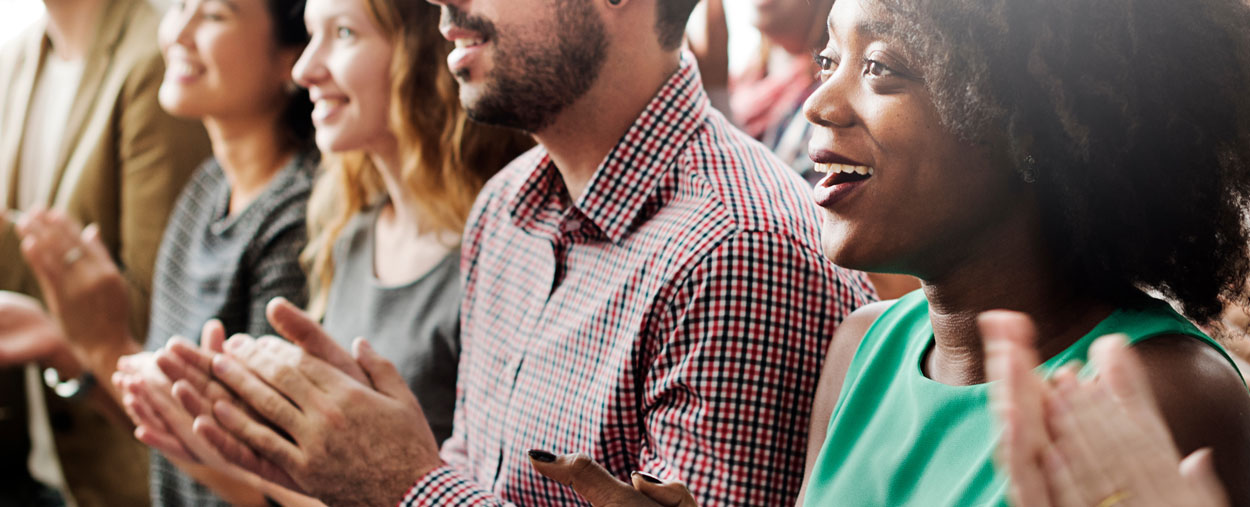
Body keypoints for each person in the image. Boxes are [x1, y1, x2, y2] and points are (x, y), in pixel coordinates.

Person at [516, 0, 1250, 504]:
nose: (818, 103)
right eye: (830, 56)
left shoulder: (1166, 391)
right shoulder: (862, 347)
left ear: (1040, 122)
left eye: (882, 68)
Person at [153, 0, 876, 505]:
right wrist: (321, 465)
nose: (440, 1)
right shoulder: (505, 208)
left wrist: (401, 481)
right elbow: (476, 483)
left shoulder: (741, 253)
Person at [0, 0, 317, 504]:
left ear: (291, 59)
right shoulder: (205, 191)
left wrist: (104, 346)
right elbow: (159, 420)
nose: (178, 31)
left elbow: (272, 481)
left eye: (214, 15)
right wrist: (70, 348)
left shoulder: (299, 216)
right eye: (181, 6)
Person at [0, 0, 210, 503]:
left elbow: (151, 319)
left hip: (120, 479)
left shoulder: (156, 62)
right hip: (30, 465)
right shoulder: (20, 54)